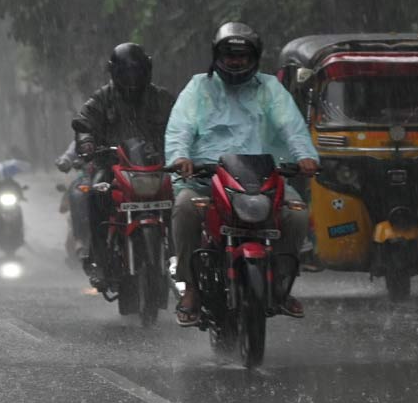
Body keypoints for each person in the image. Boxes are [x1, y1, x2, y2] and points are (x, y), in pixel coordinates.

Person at [166, 22, 319, 326]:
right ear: (217, 56)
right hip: (207, 178)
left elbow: (291, 125)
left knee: (298, 214)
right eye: (229, 55)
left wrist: (305, 156)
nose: (235, 62)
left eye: (242, 56)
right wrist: (180, 157)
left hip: (263, 179)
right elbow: (180, 127)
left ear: (254, 57)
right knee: (184, 208)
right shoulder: (198, 87)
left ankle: (282, 283)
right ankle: (191, 288)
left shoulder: (270, 88)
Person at [71, 43, 174, 287]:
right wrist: (86, 142)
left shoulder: (162, 99)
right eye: (125, 72)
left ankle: (178, 257)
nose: (132, 78)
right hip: (112, 166)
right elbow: (84, 121)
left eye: (136, 71)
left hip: (156, 167)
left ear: (146, 70)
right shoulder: (102, 98)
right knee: (95, 195)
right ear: (114, 73)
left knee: (181, 200)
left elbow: (182, 125)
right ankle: (100, 259)